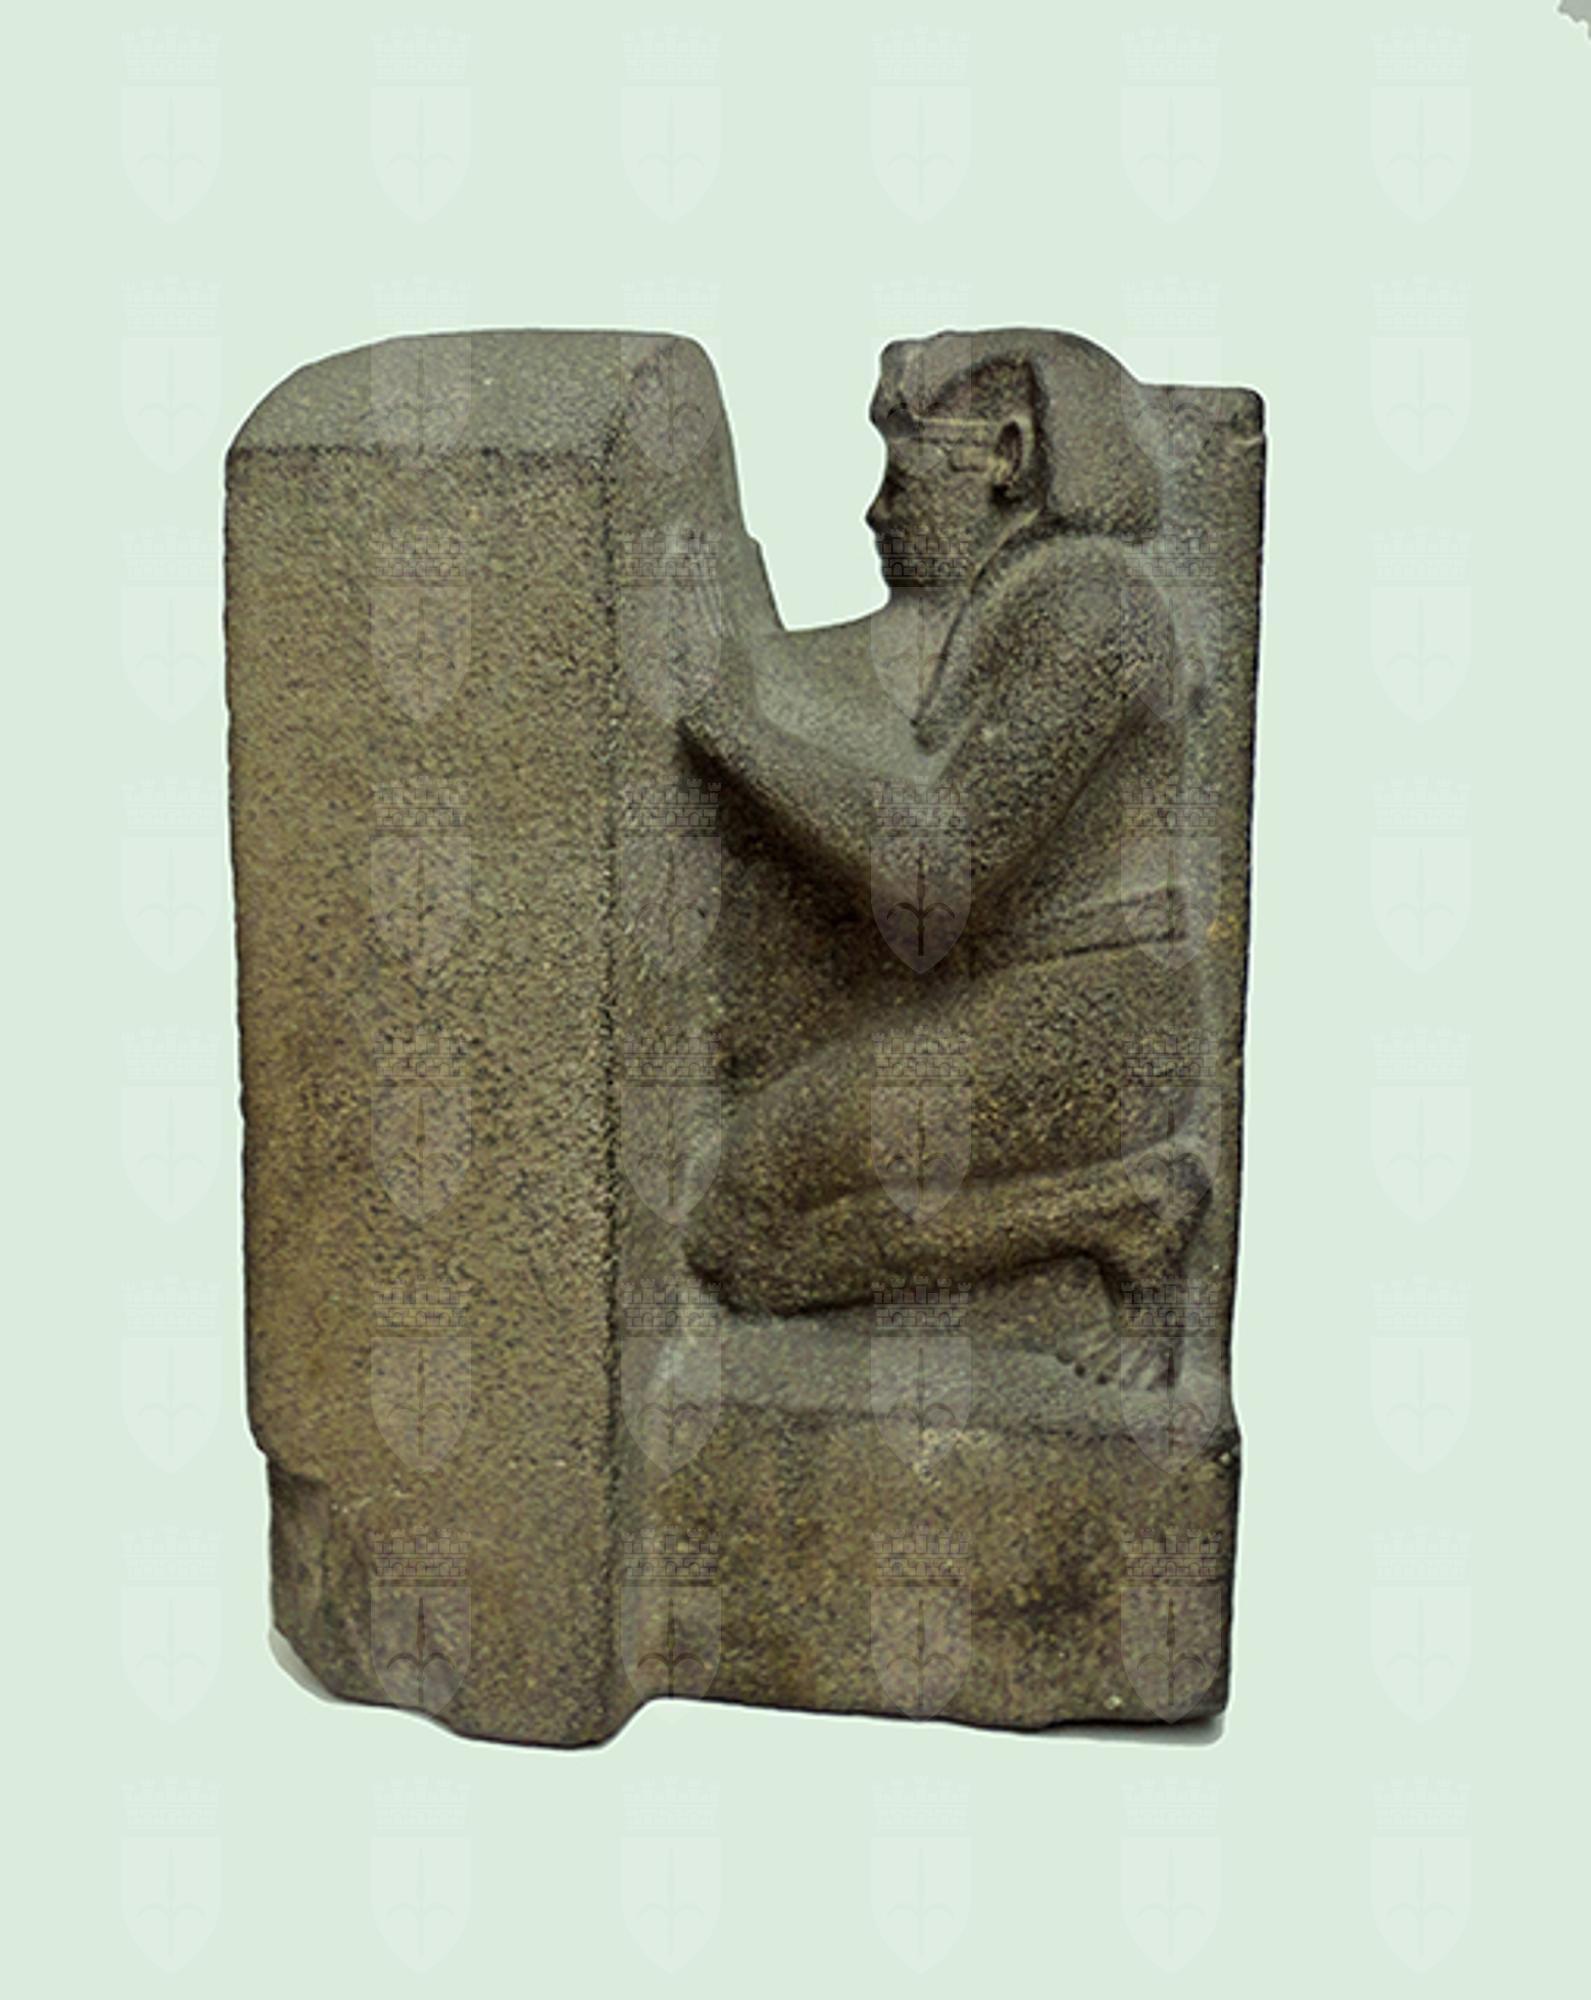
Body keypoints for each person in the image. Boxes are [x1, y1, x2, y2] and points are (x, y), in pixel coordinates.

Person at [678, 330, 1210, 1316]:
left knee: (739, 1229)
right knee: (744, 1194)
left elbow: (936, 867)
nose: (876, 511)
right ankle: (1112, 1211)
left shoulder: (1095, 609)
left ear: (1007, 456)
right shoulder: (1022, 599)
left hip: (1093, 1024)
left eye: (903, 473)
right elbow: (854, 715)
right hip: (1018, 996)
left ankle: (1116, 1212)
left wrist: (725, 727)